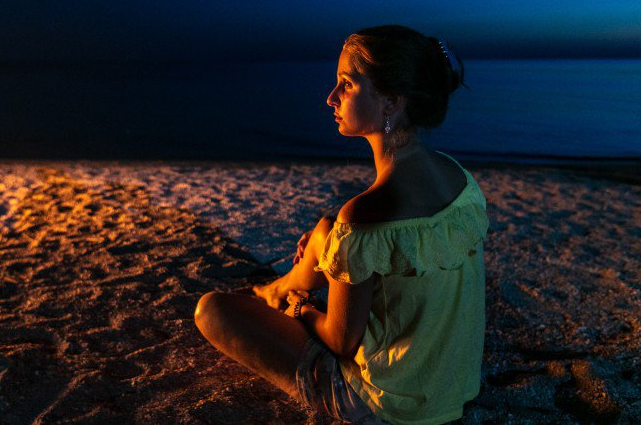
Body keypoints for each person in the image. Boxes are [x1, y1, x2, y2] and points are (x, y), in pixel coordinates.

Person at [195, 25, 489, 424]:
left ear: (391, 101)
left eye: (347, 85)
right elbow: (380, 240)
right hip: (448, 387)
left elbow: (340, 341)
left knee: (211, 310)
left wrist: (301, 309)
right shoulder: (459, 178)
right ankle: (275, 289)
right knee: (327, 229)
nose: (331, 97)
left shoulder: (366, 214)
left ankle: (282, 294)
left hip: (387, 403)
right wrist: (332, 242)